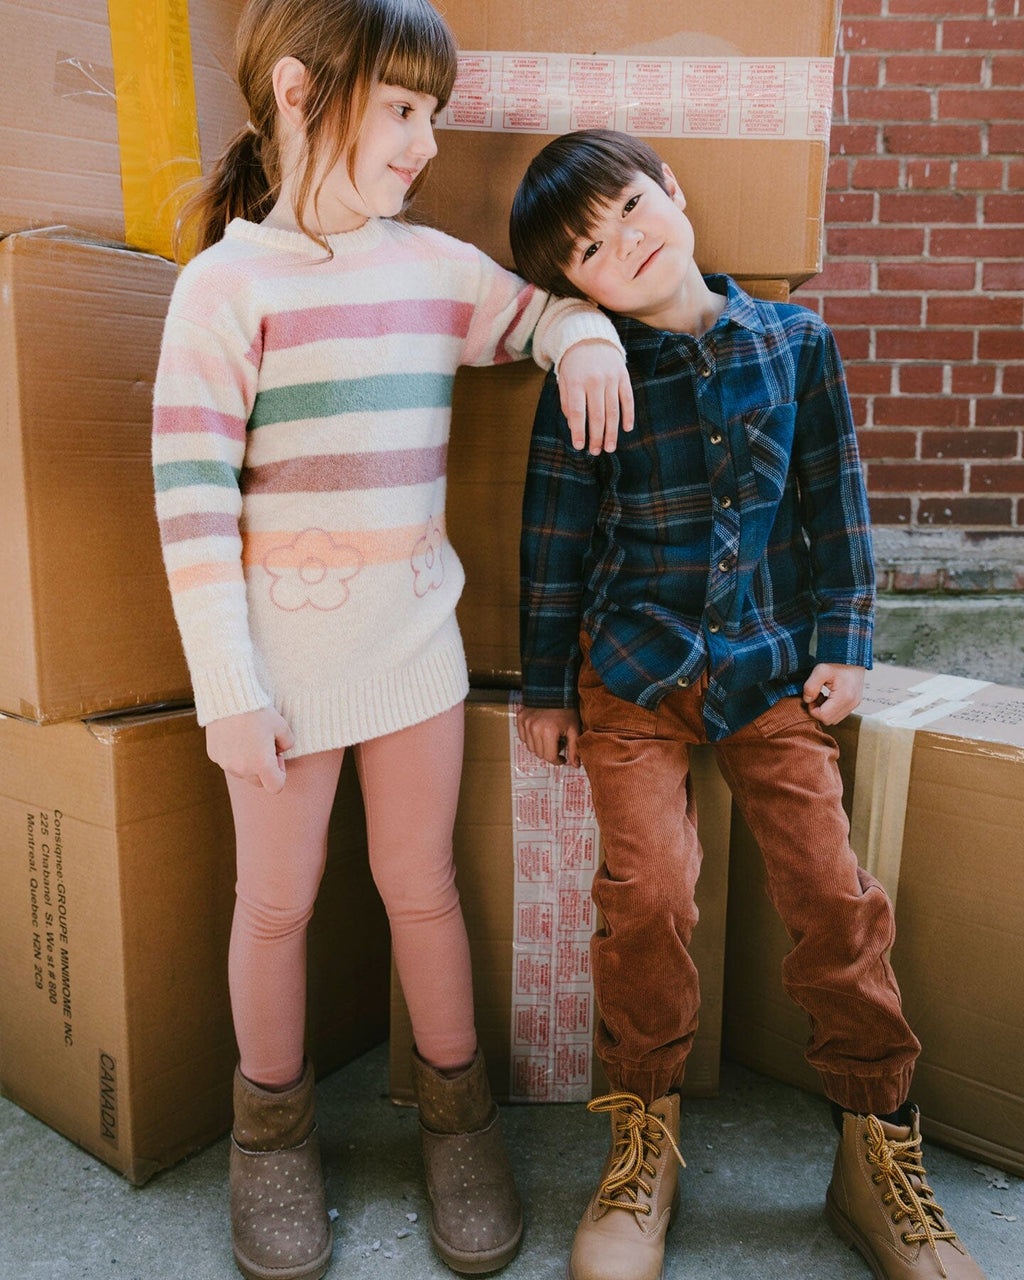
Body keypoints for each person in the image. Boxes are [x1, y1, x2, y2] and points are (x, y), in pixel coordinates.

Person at [151, 6, 634, 1276]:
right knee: (278, 902)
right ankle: (272, 1135)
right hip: (280, 678)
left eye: (436, 112)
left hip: (413, 647)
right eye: (405, 109)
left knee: (422, 887)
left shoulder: (430, 268)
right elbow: (192, 502)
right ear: (306, 94)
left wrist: (584, 336)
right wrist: (226, 689)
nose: (427, 141)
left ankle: (456, 1117)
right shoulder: (224, 288)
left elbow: (538, 317)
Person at [508, 129, 987, 1280]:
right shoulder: (590, 372)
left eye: (628, 208)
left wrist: (847, 641)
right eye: (586, 249)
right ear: (568, 287)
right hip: (632, 671)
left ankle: (874, 1140)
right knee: (649, 889)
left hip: (770, 666)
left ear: (671, 192)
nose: (621, 245)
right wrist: (542, 684)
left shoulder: (794, 341)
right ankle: (645, 1126)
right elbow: (554, 538)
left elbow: (838, 497)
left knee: (831, 886)